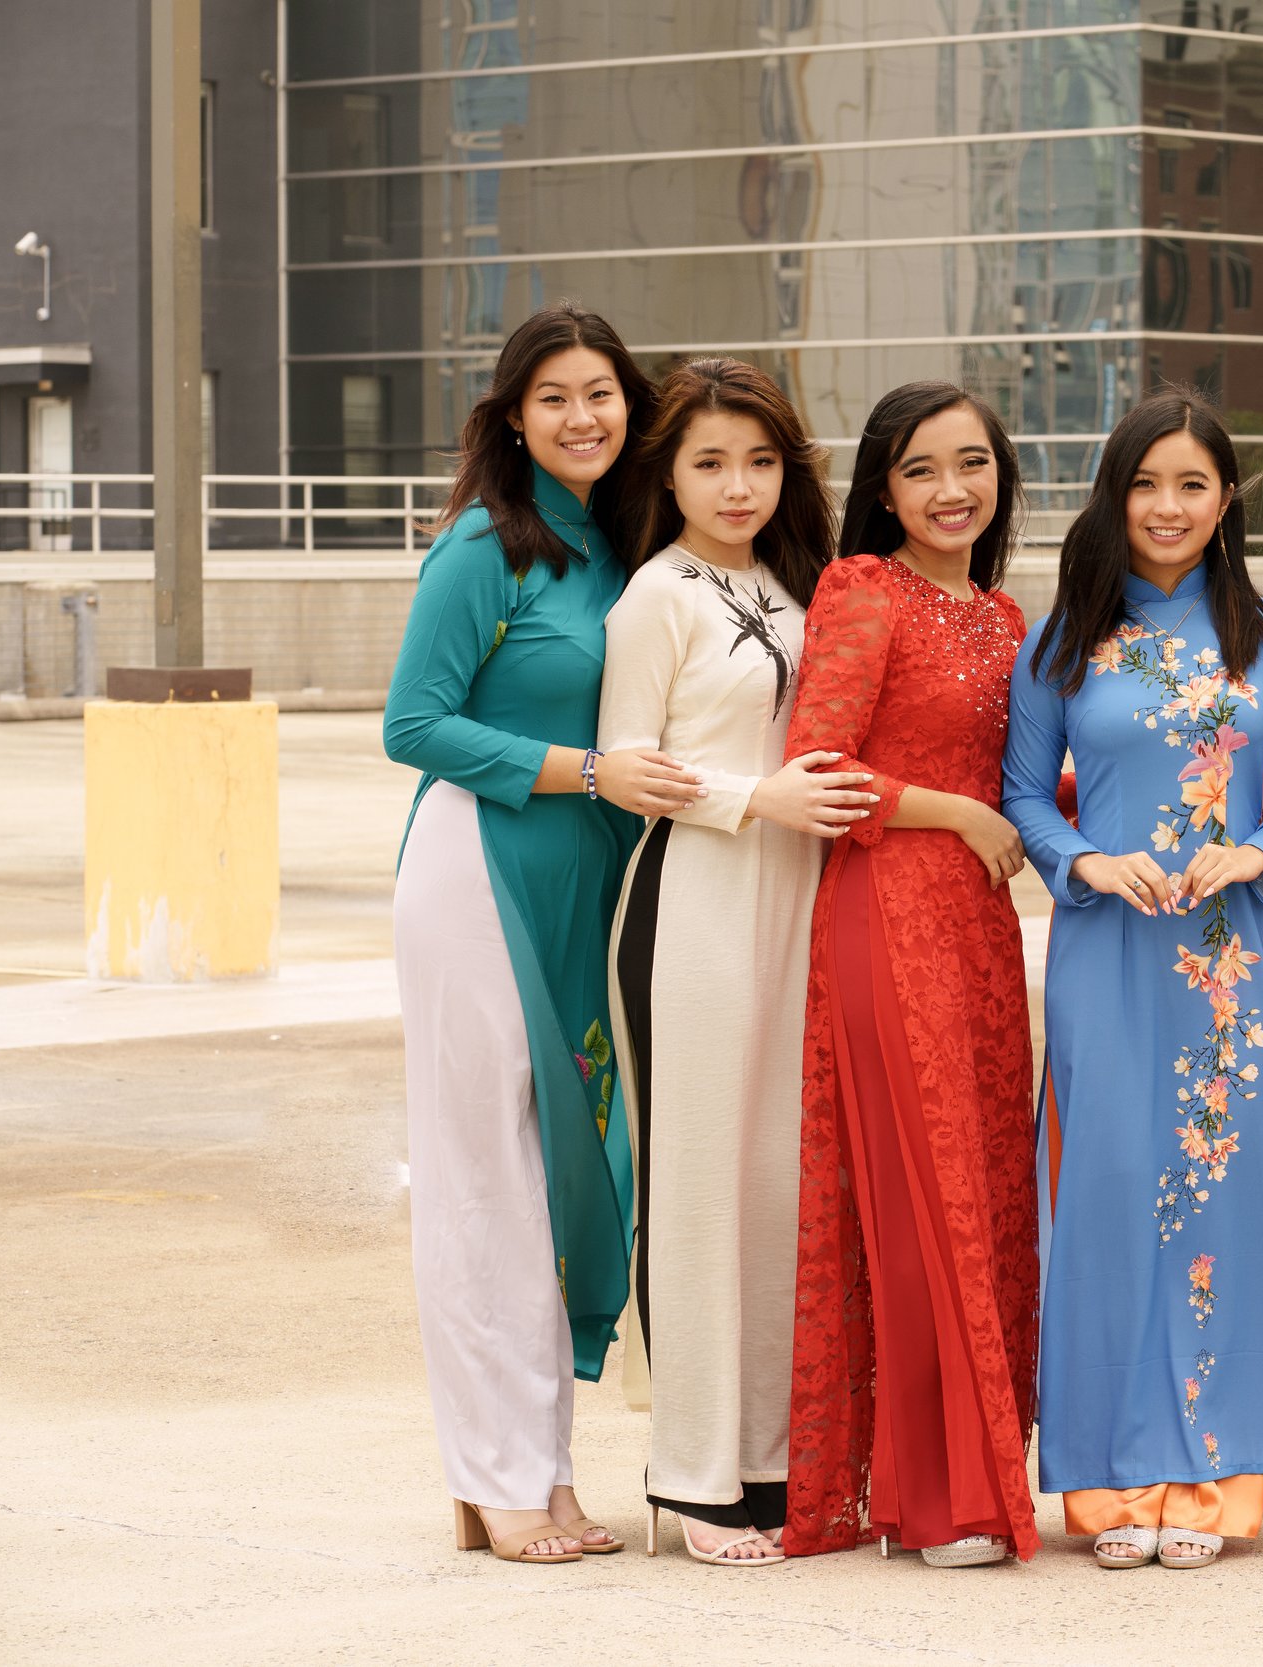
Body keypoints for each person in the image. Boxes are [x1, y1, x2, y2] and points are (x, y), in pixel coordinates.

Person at [385, 302, 696, 1565]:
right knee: (484, 1175)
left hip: (588, 885)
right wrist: (588, 771)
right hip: (483, 868)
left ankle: (539, 1471)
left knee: (566, 1169)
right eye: (554, 396)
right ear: (513, 417)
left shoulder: (627, 549)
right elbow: (413, 724)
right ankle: (496, 1475)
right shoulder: (484, 546)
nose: (582, 416)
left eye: (601, 393)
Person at [1002, 391, 1263, 1572]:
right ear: (1113, 494)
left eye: (1192, 484)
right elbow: (1023, 792)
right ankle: (1110, 1480)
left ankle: (1217, 1474)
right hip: (1107, 946)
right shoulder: (1060, 642)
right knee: (1104, 1188)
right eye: (1145, 483)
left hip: (1233, 954)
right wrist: (1085, 859)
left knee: (1228, 1194)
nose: (1168, 506)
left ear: (1227, 497)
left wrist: (1262, 849)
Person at [598, 359, 877, 1565]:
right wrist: (753, 797)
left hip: (798, 901)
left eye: (760, 460)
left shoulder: (797, 582)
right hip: (695, 902)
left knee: (781, 1188)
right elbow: (626, 764)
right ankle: (691, 1477)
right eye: (709, 462)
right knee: (701, 1187)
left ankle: (772, 1463)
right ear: (667, 474)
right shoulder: (654, 595)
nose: (737, 485)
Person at [776, 381, 1039, 1567]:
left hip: (978, 926)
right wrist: (959, 813)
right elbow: (818, 768)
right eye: (922, 468)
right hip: (886, 907)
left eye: (971, 462)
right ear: (883, 489)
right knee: (921, 1190)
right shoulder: (862, 589)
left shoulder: (1005, 615)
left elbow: (1024, 779)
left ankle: (971, 1469)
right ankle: (934, 1496)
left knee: (981, 1185)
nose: (951, 489)